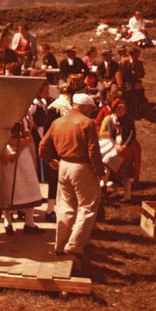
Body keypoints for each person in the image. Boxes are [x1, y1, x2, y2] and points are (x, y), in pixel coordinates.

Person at [39, 92, 106, 268]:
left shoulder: (58, 122)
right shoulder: (87, 123)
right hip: (81, 167)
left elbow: (43, 146)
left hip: (63, 166)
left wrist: (49, 160)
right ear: (83, 107)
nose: (91, 111)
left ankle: (59, 245)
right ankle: (75, 246)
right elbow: (93, 151)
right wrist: (100, 171)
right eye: (90, 108)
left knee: (65, 207)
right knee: (88, 206)